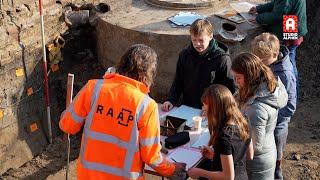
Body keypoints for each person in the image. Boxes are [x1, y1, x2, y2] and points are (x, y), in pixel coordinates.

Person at [59, 44, 186, 180]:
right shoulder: (146, 105)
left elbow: (67, 126)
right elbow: (151, 156)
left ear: (121, 64)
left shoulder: (93, 88)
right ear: (149, 74)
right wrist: (171, 170)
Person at [231, 53, 288, 180]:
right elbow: (237, 98)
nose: (235, 82)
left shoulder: (256, 109)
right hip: (266, 152)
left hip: (256, 165)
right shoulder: (262, 85)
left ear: (250, 76)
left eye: (238, 78)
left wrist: (228, 152)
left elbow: (255, 147)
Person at [161, 19, 236, 111]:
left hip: (212, 109)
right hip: (188, 106)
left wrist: (214, 108)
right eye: (194, 40)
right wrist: (171, 100)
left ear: (210, 36)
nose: (197, 44)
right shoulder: (184, 55)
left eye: (201, 40)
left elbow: (229, 88)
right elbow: (178, 81)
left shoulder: (222, 59)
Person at [251, 33, 297, 179]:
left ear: (275, 54)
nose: (260, 64)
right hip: (264, 120)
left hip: (277, 126)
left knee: (275, 159)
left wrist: (270, 116)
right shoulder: (267, 63)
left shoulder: (285, 73)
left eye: (263, 61)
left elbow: (290, 106)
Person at [187, 84, 253, 180]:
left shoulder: (224, 136)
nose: (203, 109)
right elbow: (249, 155)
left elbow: (228, 176)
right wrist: (217, 156)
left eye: (205, 108)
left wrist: (200, 172)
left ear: (214, 109)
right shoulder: (244, 121)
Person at [249, 0, 308, 97]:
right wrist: (259, 9)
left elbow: (278, 14)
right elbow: (277, 3)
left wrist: (259, 18)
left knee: (289, 65)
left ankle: (291, 93)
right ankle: (292, 91)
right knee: (289, 62)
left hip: (289, 31)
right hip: (291, 27)